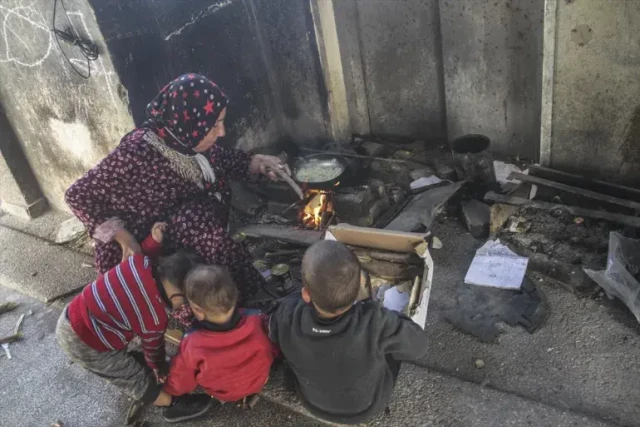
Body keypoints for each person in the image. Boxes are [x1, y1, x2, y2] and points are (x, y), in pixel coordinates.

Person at [64, 73, 291, 307]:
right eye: (214, 125)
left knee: (212, 236)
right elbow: (77, 195)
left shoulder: (182, 137)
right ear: (190, 123)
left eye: (221, 121)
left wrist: (255, 163)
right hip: (145, 245)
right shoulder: (137, 152)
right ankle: (201, 312)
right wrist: (126, 239)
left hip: (175, 220)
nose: (222, 132)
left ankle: (241, 298)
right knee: (207, 241)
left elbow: (217, 158)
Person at [56, 223, 212, 423]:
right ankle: (170, 404)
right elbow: (154, 350)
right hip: (87, 343)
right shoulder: (155, 318)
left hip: (73, 314)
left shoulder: (139, 262)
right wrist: (159, 368)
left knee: (137, 340)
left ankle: (134, 358)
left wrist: (154, 242)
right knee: (129, 375)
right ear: (177, 296)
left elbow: (147, 252)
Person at [269, 240, 429, 425]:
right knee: (393, 346)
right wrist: (392, 318)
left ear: (306, 294)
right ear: (362, 283)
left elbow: (273, 331)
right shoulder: (375, 321)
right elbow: (419, 346)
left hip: (313, 403)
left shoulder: (287, 314)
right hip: (365, 408)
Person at [162, 265, 275, 421]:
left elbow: (182, 381)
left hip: (223, 392)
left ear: (198, 311)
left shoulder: (192, 343)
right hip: (259, 381)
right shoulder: (258, 319)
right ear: (236, 295)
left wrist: (168, 388)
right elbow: (274, 349)